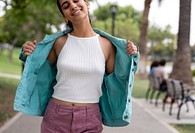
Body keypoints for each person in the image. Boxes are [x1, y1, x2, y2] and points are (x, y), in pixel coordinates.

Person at [14, 0, 139, 133]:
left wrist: (132, 55)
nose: (73, 6)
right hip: (56, 116)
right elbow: (39, 71)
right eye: (66, 6)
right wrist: (28, 52)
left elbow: (120, 79)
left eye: (75, 1)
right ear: (64, 15)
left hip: (90, 118)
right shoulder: (59, 43)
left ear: (86, 3)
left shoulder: (106, 45)